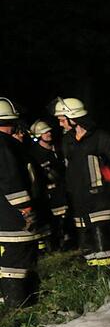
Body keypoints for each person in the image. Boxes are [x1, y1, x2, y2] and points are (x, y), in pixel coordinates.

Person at [56, 98, 110, 267]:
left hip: (99, 197)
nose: (60, 124)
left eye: (61, 119)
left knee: (101, 236)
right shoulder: (67, 140)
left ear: (72, 118)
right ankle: (96, 278)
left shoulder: (99, 137)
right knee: (86, 240)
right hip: (78, 200)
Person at [0, 98, 42, 306]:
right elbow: (11, 178)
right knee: (17, 257)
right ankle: (17, 303)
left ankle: (10, 300)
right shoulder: (4, 144)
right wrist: (25, 207)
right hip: (11, 216)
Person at [26, 120, 67, 250]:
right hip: (48, 193)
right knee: (53, 220)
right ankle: (54, 245)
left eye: (49, 131)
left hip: (64, 189)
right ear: (38, 135)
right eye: (45, 132)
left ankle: (68, 239)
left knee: (66, 218)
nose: (48, 133)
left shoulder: (59, 148)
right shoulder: (35, 154)